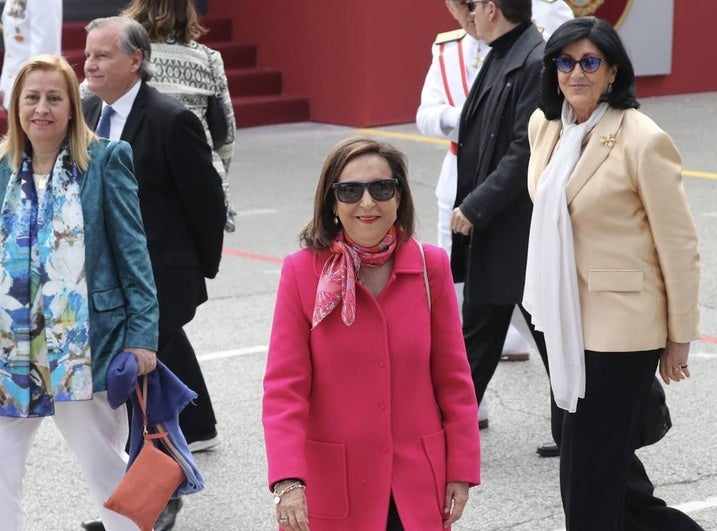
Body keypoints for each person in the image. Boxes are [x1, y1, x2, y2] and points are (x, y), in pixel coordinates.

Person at [523, 16, 703, 530]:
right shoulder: (547, 126)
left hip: (621, 327)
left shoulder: (642, 139)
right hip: (561, 321)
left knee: (588, 476)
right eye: (565, 61)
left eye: (589, 62)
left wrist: (680, 335)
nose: (576, 73)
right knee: (611, 474)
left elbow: (679, 242)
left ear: (612, 70)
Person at [262, 137, 480, 530]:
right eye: (350, 190)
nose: (367, 203)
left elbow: (454, 382)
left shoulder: (431, 267)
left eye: (382, 188)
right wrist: (288, 481)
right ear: (331, 202)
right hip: (335, 486)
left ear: (399, 197)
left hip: (417, 486)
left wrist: (461, 470)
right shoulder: (301, 273)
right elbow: (284, 390)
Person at [0, 54, 159, 531]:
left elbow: (134, 255)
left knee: (105, 470)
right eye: (32, 98)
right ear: (15, 106)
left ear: (73, 106)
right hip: (12, 349)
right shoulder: (1, 170)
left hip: (83, 349)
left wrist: (143, 337)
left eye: (54, 98)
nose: (41, 109)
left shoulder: (107, 160)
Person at [80, 16, 226, 531]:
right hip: (108, 280)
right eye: (87, 54)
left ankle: (154, 500)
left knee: (139, 387)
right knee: (136, 389)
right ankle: (136, 497)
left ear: (135, 60)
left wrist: (196, 273)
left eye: (101, 56)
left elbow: (206, 202)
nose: (89, 64)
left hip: (161, 276)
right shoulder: (88, 111)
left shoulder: (170, 119)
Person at [416, 0, 572, 448]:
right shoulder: (502, 52)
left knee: (541, 336)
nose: (465, 13)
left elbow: (524, 148)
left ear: (490, 8)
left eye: (473, 5)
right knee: (487, 335)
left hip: (513, 225)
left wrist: (476, 207)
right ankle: (448, 433)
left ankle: (591, 426)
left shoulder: (530, 57)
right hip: (495, 223)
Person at [120, 0, 238, 233]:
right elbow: (226, 135)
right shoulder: (208, 58)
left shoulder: (127, 58)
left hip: (138, 183)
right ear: (188, 11)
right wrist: (217, 176)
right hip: (198, 182)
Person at [0, 0, 62, 109]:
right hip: (14, 84)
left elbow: (44, 50)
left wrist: (32, 93)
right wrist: (4, 86)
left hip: (32, 90)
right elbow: (13, 49)